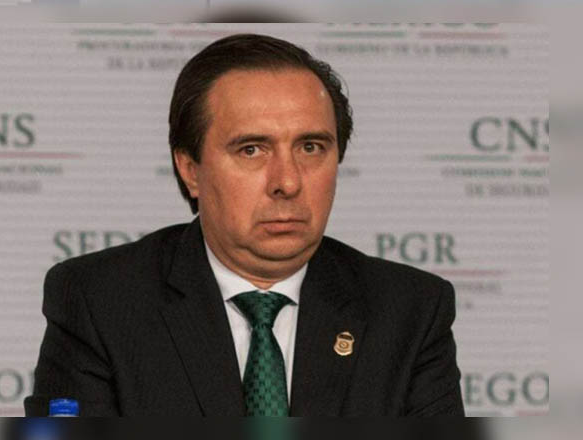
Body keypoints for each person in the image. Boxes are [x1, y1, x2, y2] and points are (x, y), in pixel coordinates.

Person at [25, 33, 464, 416]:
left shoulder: (409, 311)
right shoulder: (100, 303)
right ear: (190, 168)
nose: (288, 182)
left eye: (311, 147)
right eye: (252, 150)